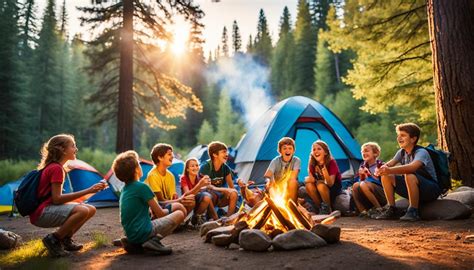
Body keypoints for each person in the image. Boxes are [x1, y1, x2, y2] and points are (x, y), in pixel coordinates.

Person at [31, 134, 106, 257]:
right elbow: (57, 199)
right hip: (41, 213)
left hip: (46, 210)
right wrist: (89, 190)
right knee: (82, 210)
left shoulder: (56, 167)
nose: (76, 149)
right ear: (62, 150)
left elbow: (56, 199)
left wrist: (90, 192)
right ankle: (53, 240)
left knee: (90, 209)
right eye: (73, 146)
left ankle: (65, 239)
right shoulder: (56, 169)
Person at [113, 150, 185, 254]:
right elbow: (160, 213)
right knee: (179, 214)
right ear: (136, 170)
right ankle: (153, 241)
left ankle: (134, 244)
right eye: (139, 164)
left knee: (166, 211)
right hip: (144, 231)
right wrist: (171, 209)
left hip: (130, 233)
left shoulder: (125, 189)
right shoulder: (142, 187)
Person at [375, 123, 441, 221]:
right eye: (398, 135)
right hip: (414, 187)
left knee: (409, 174)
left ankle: (413, 211)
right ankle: (392, 209)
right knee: (386, 175)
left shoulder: (421, 152)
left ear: (413, 139)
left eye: (403, 135)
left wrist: (389, 169)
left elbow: (412, 168)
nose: (399, 138)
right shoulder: (401, 152)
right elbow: (389, 165)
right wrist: (381, 169)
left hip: (430, 189)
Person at [144, 143, 194, 217]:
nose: (172, 156)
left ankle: (179, 221)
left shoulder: (170, 175)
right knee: (179, 207)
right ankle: (178, 221)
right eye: (169, 154)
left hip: (168, 205)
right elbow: (160, 201)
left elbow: (171, 197)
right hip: (157, 209)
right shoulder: (153, 175)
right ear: (160, 158)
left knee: (191, 202)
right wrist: (179, 200)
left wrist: (176, 197)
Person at [199, 141, 238, 217]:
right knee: (210, 194)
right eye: (223, 152)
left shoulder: (225, 167)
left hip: (219, 194)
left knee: (234, 193)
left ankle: (229, 219)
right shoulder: (206, 167)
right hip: (205, 196)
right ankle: (212, 217)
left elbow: (231, 187)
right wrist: (226, 190)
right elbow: (208, 187)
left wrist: (238, 188)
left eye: (226, 152)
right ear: (214, 154)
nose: (227, 154)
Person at [304, 140, 342, 215]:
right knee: (309, 185)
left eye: (319, 149)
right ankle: (320, 208)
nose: (316, 151)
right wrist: (310, 179)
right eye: (314, 149)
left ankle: (328, 208)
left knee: (320, 185)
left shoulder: (331, 162)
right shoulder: (312, 163)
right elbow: (309, 179)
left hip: (333, 188)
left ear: (325, 152)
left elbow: (330, 183)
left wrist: (324, 171)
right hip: (319, 186)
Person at [352, 142, 387, 218]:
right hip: (368, 195)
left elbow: (384, 183)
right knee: (355, 185)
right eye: (362, 151)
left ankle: (379, 209)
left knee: (363, 184)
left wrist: (369, 175)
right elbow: (359, 184)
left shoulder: (380, 165)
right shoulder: (362, 166)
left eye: (366, 151)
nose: (364, 153)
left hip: (382, 195)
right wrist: (361, 176)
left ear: (375, 153)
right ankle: (363, 211)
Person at [180, 158, 218, 225]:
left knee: (208, 196)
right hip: (188, 201)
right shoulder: (184, 178)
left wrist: (207, 184)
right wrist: (200, 185)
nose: (195, 167)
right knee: (205, 196)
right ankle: (215, 217)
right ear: (187, 169)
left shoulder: (200, 177)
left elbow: (206, 188)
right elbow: (187, 194)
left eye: (197, 165)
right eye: (192, 166)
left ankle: (196, 217)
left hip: (198, 200)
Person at [264, 137, 301, 204]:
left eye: (290, 148)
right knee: (270, 184)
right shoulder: (275, 161)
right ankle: (276, 204)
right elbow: (267, 175)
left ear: (293, 150)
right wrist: (271, 180)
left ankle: (292, 204)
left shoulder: (296, 160)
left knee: (293, 182)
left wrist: (283, 185)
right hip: (276, 185)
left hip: (289, 186)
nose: (287, 150)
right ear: (280, 151)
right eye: (284, 148)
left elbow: (293, 177)